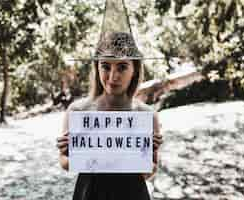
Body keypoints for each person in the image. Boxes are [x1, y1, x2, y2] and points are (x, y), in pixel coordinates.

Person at [56, 31, 163, 200]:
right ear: (97, 67)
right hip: (90, 193)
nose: (113, 77)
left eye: (122, 67)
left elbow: (148, 172)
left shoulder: (147, 115)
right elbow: (64, 162)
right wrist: (67, 150)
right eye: (106, 66)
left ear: (134, 69)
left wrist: (148, 152)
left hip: (132, 194)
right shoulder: (78, 111)